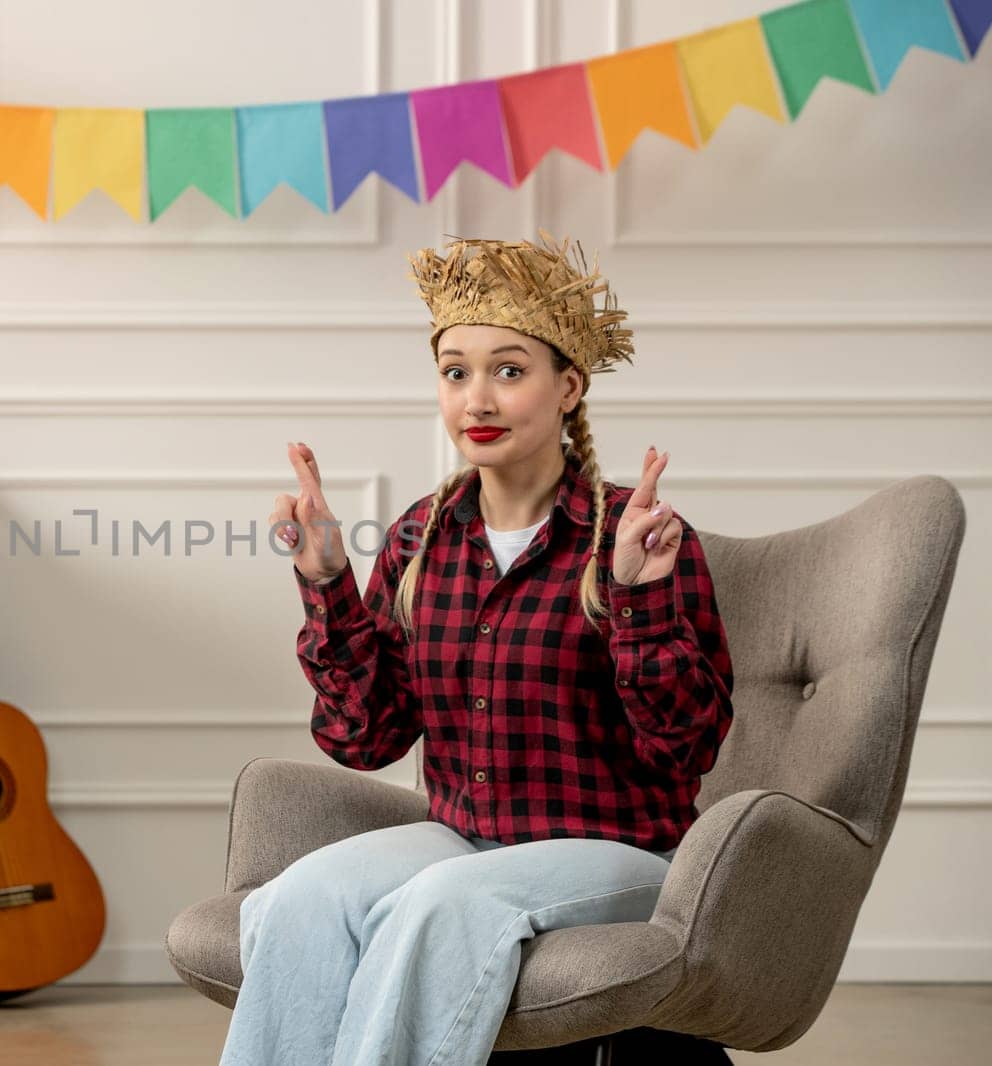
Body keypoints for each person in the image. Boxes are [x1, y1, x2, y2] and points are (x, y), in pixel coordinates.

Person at [223, 231, 735, 1066]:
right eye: (456, 372)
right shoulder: (420, 536)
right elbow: (368, 738)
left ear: (568, 386)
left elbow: (688, 749)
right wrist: (326, 582)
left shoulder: (634, 538)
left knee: (440, 907)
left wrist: (639, 600)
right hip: (467, 835)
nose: (478, 400)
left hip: (625, 854)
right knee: (301, 897)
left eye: (509, 369)